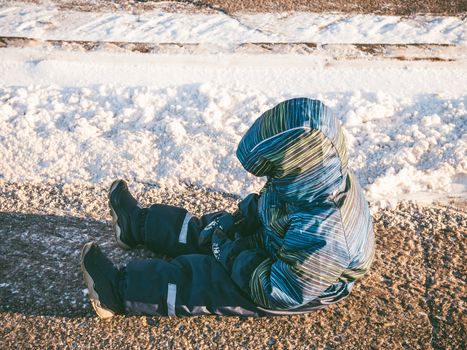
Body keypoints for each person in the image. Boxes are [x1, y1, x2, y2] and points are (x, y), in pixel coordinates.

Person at [81, 97, 375, 318]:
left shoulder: (328, 233)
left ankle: (117, 293)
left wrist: (232, 255)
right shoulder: (313, 177)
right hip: (285, 243)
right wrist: (246, 218)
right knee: (211, 228)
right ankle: (138, 226)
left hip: (297, 283)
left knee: (207, 279)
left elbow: (282, 291)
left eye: (275, 171)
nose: (270, 179)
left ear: (296, 168)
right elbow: (275, 201)